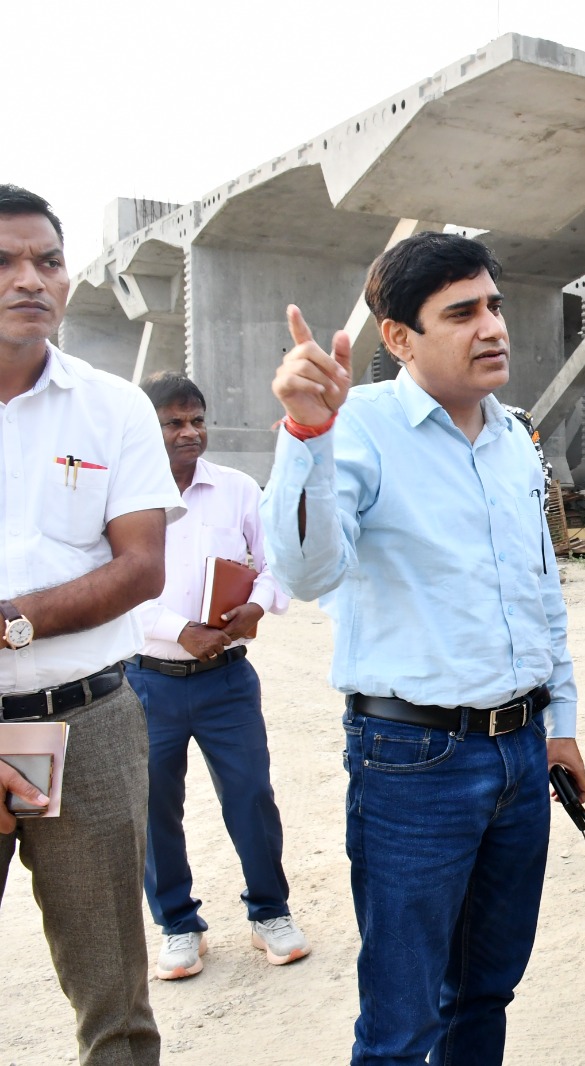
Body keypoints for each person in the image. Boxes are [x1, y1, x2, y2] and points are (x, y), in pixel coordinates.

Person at [260, 231, 585, 1065]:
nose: (493, 328)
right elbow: (307, 570)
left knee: (485, 993)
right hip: (415, 761)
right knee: (403, 1025)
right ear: (400, 338)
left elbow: (542, 593)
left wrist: (561, 724)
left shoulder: (514, 437)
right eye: (462, 313)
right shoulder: (359, 427)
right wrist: (305, 434)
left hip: (519, 754)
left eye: (495, 306)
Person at [0, 185, 182, 1065]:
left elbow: (140, 567)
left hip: (86, 721)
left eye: (47, 260)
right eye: (4, 261)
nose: (29, 279)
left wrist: (9, 627)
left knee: (113, 998)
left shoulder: (114, 407)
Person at [126, 372, 305, 981]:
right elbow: (119, 591)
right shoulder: (125, 499)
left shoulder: (235, 490)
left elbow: (274, 563)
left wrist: (257, 604)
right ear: (144, 429)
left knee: (252, 794)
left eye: (196, 419)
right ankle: (178, 925)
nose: (189, 432)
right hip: (147, 680)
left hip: (227, 679)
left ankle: (270, 913)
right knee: (154, 806)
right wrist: (180, 632)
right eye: (173, 422)